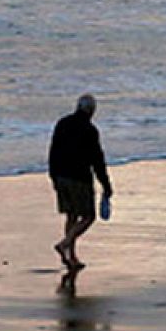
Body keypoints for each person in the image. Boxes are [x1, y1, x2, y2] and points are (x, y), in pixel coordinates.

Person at [48, 93, 112, 270]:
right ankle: (65, 244)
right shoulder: (90, 130)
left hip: (61, 175)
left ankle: (71, 257)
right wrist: (106, 185)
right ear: (91, 111)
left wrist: (53, 176)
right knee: (88, 216)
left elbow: (53, 151)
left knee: (71, 215)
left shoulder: (62, 123)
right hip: (79, 178)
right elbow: (97, 160)